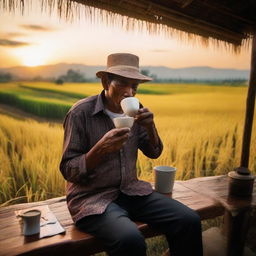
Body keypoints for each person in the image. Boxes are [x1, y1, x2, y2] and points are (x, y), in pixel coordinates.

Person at [59, 53, 203, 256]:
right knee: (130, 239)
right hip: (92, 199)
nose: (129, 92)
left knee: (189, 220)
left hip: (131, 191)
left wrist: (151, 126)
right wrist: (99, 150)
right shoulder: (80, 113)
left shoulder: (137, 111)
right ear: (105, 81)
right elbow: (68, 169)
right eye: (123, 84)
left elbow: (154, 153)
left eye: (134, 86)